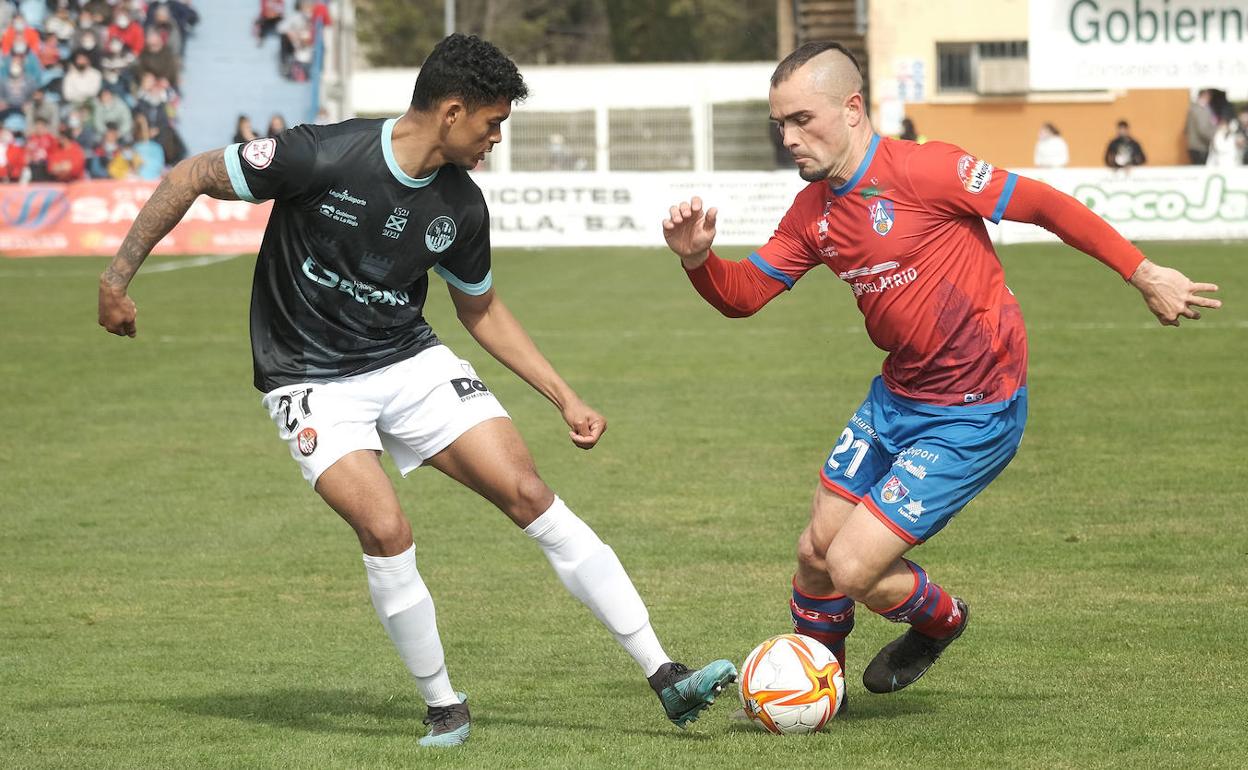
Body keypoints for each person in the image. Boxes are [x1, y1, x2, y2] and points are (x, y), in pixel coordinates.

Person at [98, 33, 736, 748]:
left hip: (406, 359)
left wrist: (565, 396)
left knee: (529, 493)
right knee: (386, 528)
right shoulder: (321, 154)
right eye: (492, 124)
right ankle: (443, 706)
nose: (496, 139)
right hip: (308, 378)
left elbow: (481, 309)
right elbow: (188, 175)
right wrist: (116, 281)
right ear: (453, 112)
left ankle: (665, 674)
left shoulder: (461, 207)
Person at [662, 41, 1220, 705]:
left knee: (851, 566)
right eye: (778, 124)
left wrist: (1145, 272)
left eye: (801, 120)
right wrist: (699, 262)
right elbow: (745, 293)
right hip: (896, 398)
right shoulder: (814, 212)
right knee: (815, 554)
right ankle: (819, 694)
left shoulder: (928, 170)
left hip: (974, 412)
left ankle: (941, 621)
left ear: (852, 110)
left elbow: (1043, 204)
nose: (788, 138)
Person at [1185, 89, 1216, 165]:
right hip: (1200, 146)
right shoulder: (1200, 110)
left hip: (1194, 145)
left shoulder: (1193, 108)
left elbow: (1186, 129)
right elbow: (1202, 130)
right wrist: (1215, 137)